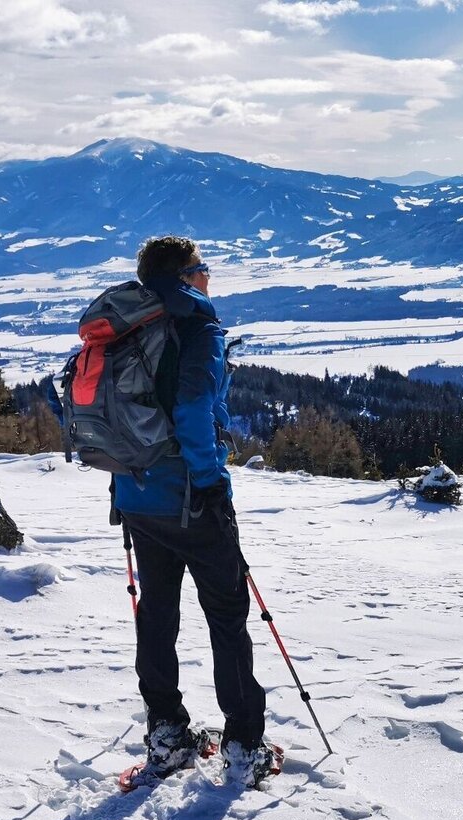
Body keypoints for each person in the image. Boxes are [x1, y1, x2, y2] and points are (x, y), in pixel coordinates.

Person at [114, 235, 273, 786]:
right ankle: (244, 747)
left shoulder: (126, 325)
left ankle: (167, 737)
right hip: (190, 499)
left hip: (137, 498)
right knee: (227, 617)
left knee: (157, 615)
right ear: (185, 277)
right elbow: (191, 409)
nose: (209, 277)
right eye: (203, 268)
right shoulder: (197, 328)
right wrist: (210, 483)